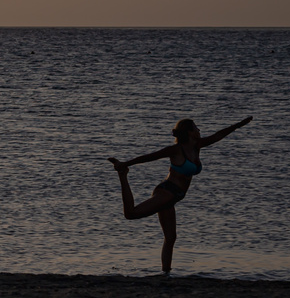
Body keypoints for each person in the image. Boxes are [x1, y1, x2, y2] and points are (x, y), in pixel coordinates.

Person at [108, 116, 253, 273]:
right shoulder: (176, 150)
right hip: (167, 191)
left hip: (174, 197)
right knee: (130, 214)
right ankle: (123, 175)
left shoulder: (197, 146)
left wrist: (238, 125)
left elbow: (218, 135)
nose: (199, 130)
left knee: (171, 238)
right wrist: (125, 164)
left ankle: (166, 273)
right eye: (196, 128)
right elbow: (150, 157)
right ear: (190, 132)